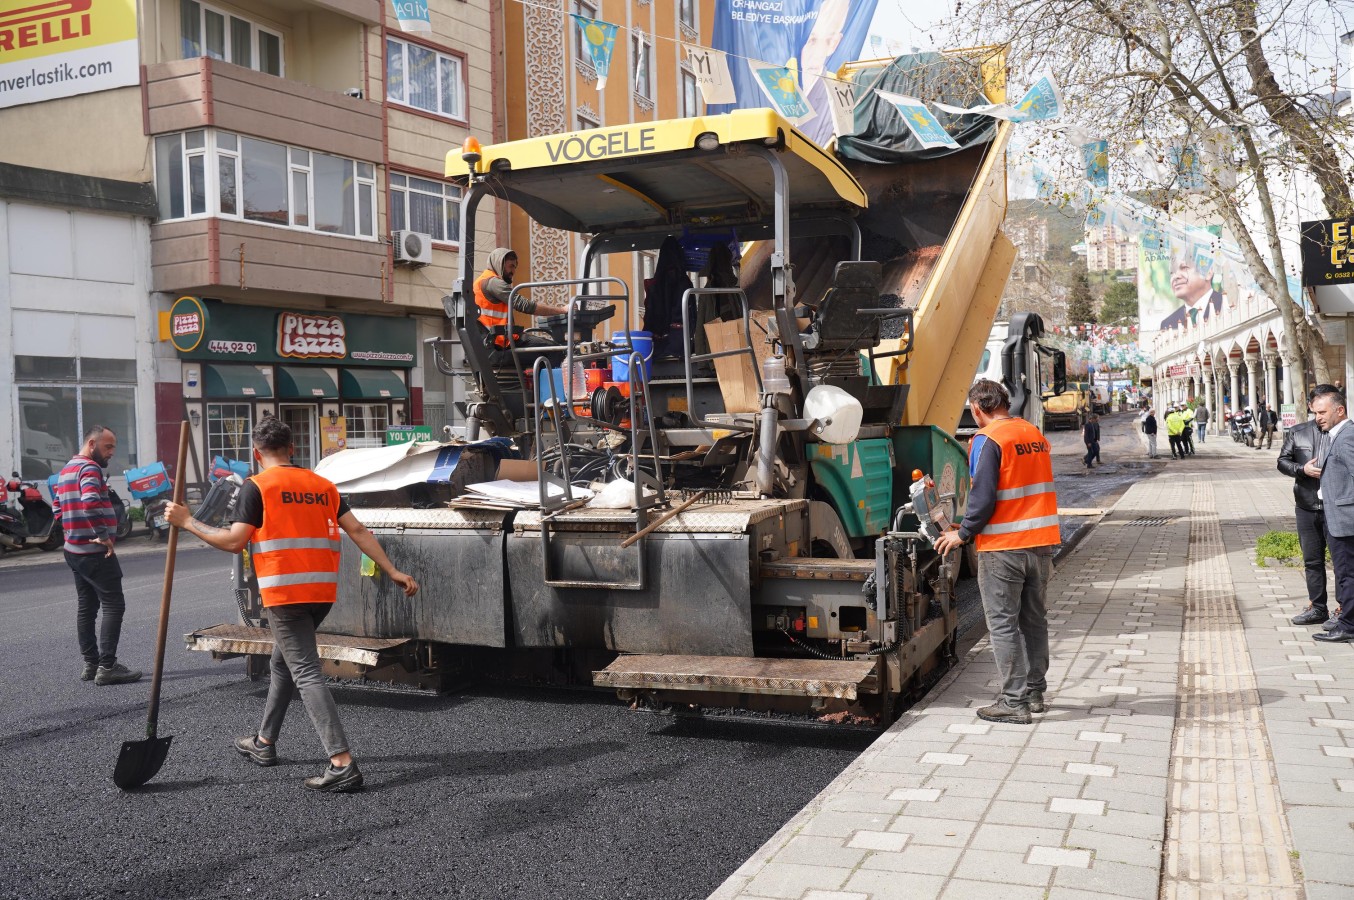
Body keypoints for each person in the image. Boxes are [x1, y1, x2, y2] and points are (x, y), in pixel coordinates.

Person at [166, 417, 420, 792]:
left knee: (305, 672)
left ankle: (341, 762)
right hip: (321, 595)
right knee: (282, 662)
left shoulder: (258, 487)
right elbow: (358, 531)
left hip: (285, 596)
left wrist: (188, 522)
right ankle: (264, 743)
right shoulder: (322, 486)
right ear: (293, 449)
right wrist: (393, 570)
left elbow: (235, 541)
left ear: (256, 453)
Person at [934, 379, 1059, 724]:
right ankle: (1034, 693)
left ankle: (1013, 701)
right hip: (1041, 544)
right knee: (1034, 621)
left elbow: (983, 496)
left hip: (1004, 548)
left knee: (1003, 625)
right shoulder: (1032, 432)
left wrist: (965, 533)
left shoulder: (986, 440)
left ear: (977, 409)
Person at [56, 426, 142, 686]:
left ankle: (90, 664)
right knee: (114, 605)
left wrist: (72, 530)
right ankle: (107, 667)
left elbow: (57, 507)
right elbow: (91, 502)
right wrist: (103, 535)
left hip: (73, 551)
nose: (112, 452)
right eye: (108, 447)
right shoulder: (89, 469)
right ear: (92, 444)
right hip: (94, 552)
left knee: (87, 606)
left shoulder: (67, 469)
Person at [1279, 386, 1338, 627]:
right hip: (1306, 504)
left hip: (1336, 508)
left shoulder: (1342, 433)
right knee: (1312, 560)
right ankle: (1318, 607)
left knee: (1342, 562)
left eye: (1323, 408)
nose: (1318, 414)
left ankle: (1344, 608)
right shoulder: (1298, 432)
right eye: (1315, 408)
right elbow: (1282, 461)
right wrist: (1301, 470)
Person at [1310, 388, 1354, 643]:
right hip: (1337, 517)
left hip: (1346, 519)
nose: (1317, 417)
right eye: (1315, 413)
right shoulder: (1335, 435)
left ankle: (1348, 625)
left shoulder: (1347, 436)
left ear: (1340, 410)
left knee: (1347, 574)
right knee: (1346, 573)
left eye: (1322, 412)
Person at [473, 248, 569, 362]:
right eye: (511, 266)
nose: (513, 271)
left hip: (497, 340)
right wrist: (563, 310)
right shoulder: (494, 283)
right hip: (501, 342)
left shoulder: (480, 281)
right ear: (500, 264)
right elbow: (525, 306)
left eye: (515, 267)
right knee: (556, 350)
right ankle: (554, 380)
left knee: (546, 346)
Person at [1159, 250, 1224, 330]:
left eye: (1184, 268)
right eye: (1172, 272)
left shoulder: (1228, 306)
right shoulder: (1168, 325)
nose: (1175, 276)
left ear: (1208, 272)